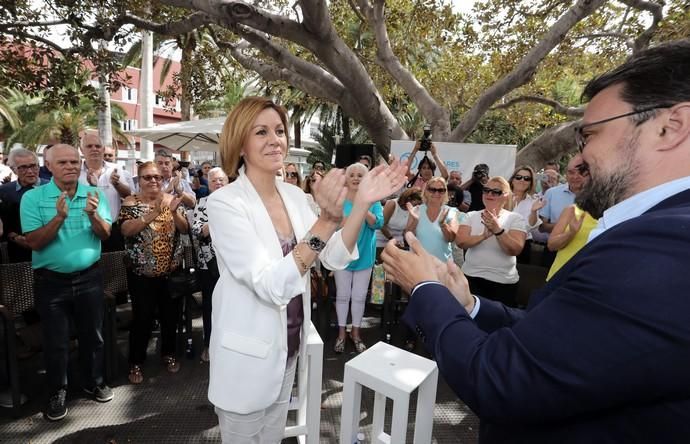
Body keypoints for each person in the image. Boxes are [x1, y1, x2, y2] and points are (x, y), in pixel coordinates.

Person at [381, 41, 690, 442]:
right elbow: (556, 337)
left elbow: (499, 380)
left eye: (590, 135)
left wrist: (425, 288)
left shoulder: (665, 245)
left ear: (671, 127)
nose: (577, 161)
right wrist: (468, 305)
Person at [205, 96, 406, 443]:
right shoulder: (226, 203)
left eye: (279, 130)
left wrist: (360, 204)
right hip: (246, 357)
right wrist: (326, 222)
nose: (275, 139)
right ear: (239, 144)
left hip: (288, 349)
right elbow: (271, 285)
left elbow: (333, 257)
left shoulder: (295, 197)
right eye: (261, 131)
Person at [20, 144, 113, 421]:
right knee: (56, 342)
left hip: (90, 278)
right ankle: (57, 390)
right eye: (63, 162)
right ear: (48, 165)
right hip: (51, 283)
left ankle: (93, 380)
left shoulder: (93, 194)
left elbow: (106, 235)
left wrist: (94, 215)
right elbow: (34, 242)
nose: (71, 166)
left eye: (75, 161)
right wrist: (59, 217)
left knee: (93, 336)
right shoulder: (33, 198)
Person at [119, 161, 189, 384]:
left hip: (170, 273)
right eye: (147, 177)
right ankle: (136, 362)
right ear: (139, 180)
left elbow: (185, 229)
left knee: (171, 318)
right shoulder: (131, 202)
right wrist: (154, 212)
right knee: (142, 319)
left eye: (157, 177)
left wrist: (175, 212)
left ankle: (168, 354)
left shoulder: (171, 200)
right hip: (142, 275)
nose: (153, 181)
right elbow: (126, 230)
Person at [333, 162, 384, 354]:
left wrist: (364, 205)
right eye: (351, 174)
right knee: (342, 296)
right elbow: (335, 225)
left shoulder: (374, 200)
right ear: (346, 178)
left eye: (360, 175)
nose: (355, 178)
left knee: (359, 297)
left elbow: (378, 223)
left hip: (365, 256)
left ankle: (356, 334)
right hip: (341, 256)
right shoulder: (339, 199)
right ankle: (340, 334)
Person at [456, 176, 527, 307]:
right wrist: (483, 236)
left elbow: (515, 249)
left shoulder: (516, 219)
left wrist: (497, 230)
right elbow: (461, 242)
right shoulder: (471, 216)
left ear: (506, 196)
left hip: (503, 283)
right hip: (471, 278)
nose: (489, 194)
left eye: (496, 192)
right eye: (486, 190)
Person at [192, 167, 229, 363]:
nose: (218, 183)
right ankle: (208, 344)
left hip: (232, 264)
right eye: (214, 180)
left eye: (221, 180)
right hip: (209, 265)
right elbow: (198, 232)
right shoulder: (203, 203)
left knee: (231, 306)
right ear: (208, 183)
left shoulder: (235, 203)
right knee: (210, 306)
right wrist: (216, 218)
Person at [79, 133, 134, 251]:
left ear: (103, 149)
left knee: (114, 266)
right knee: (90, 266)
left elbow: (128, 195)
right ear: (81, 150)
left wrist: (117, 184)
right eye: (89, 146)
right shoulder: (76, 172)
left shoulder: (115, 168)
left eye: (97, 146)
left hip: (113, 229)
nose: (94, 149)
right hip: (85, 230)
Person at [538, 154, 587, 266]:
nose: (575, 177)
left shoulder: (597, 196)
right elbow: (541, 227)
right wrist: (566, 226)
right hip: (554, 251)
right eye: (571, 172)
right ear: (565, 174)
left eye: (581, 172)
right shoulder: (552, 193)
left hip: (583, 252)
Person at [0, 149, 48, 263]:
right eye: (23, 167)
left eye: (33, 166)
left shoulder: (52, 187)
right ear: (13, 169)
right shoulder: (5, 191)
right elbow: (4, 223)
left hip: (49, 248)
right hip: (18, 253)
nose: (30, 171)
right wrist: (15, 237)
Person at [546, 202, 598, 281]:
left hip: (590, 280)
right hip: (560, 278)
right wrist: (571, 233)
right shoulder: (572, 210)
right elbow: (551, 245)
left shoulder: (616, 218)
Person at [507, 165, 544, 264]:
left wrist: (533, 211)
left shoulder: (534, 201)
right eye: (518, 177)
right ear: (512, 180)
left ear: (531, 183)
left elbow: (532, 226)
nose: (522, 180)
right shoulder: (502, 197)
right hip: (501, 240)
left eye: (527, 178)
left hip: (523, 244)